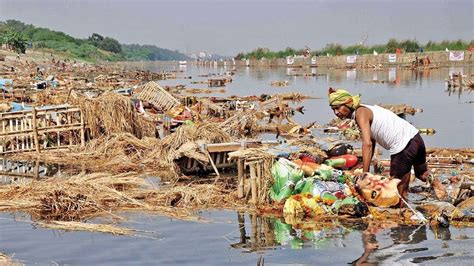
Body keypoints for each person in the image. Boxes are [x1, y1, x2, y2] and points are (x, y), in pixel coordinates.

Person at [327, 88, 446, 205]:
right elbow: (372, 141)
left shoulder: (360, 113)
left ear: (348, 103)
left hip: (403, 146)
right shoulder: (366, 109)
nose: (336, 113)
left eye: (338, 107)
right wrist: (365, 164)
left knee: (397, 193)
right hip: (415, 138)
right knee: (421, 173)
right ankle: (435, 182)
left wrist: (365, 174)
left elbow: (367, 143)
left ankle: (403, 218)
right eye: (333, 109)